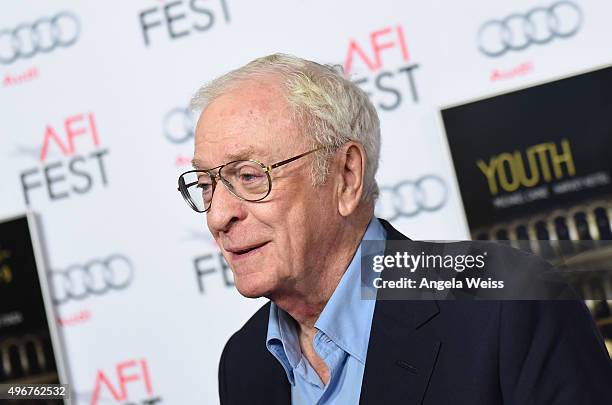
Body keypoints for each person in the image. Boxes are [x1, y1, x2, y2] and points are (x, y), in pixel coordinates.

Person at [177, 53, 612, 404]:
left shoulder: (506, 302)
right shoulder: (245, 361)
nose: (218, 216)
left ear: (347, 176)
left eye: (250, 176)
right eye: (206, 184)